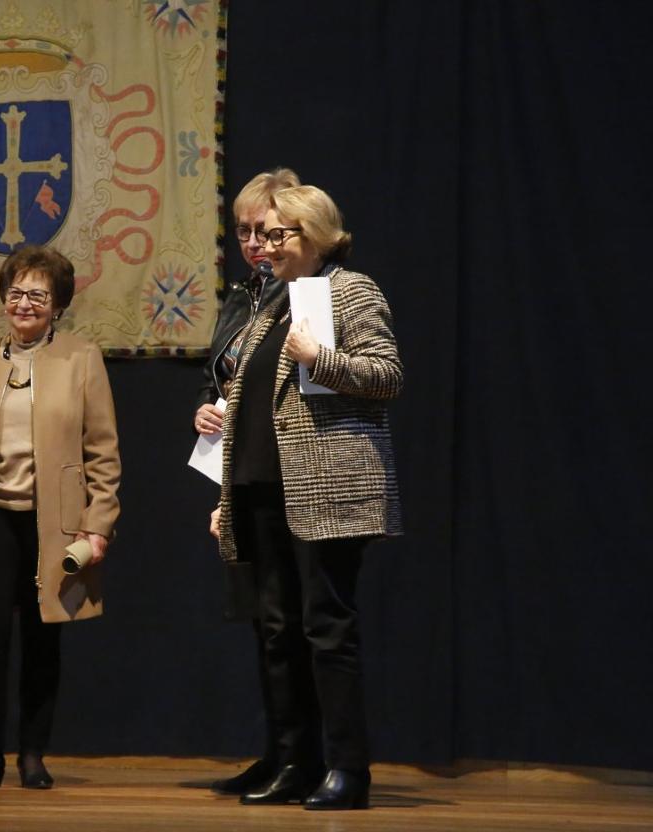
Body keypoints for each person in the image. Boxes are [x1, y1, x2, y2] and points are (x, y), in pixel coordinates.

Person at [208, 185, 402, 810]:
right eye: (261, 237)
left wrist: (322, 358)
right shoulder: (272, 305)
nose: (264, 247)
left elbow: (387, 376)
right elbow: (248, 394)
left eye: (278, 236)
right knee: (278, 631)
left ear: (313, 236)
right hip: (263, 487)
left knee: (326, 629)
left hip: (328, 489)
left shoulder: (351, 290)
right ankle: (294, 761)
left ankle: (349, 769)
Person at [0, 245, 121, 790]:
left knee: (44, 640)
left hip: (54, 523)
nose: (24, 303)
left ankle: (32, 754)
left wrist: (98, 523)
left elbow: (103, 451)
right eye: (16, 292)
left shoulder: (81, 358)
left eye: (37, 294)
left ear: (57, 304)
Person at [198, 167, 303, 797]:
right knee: (265, 621)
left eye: (264, 230)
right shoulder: (242, 296)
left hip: (291, 475)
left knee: (291, 620)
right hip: (237, 472)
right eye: (242, 231)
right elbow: (224, 377)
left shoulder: (305, 292)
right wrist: (205, 407)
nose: (254, 243)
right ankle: (278, 751)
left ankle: (302, 755)